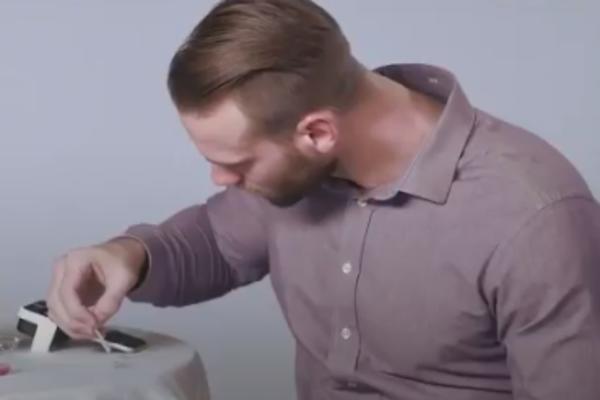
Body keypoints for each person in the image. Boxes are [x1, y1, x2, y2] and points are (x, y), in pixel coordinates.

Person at [46, 0, 600, 399]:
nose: (219, 179)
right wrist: (127, 256)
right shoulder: (302, 168)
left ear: (317, 133)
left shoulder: (533, 218)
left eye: (237, 163)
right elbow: (216, 240)